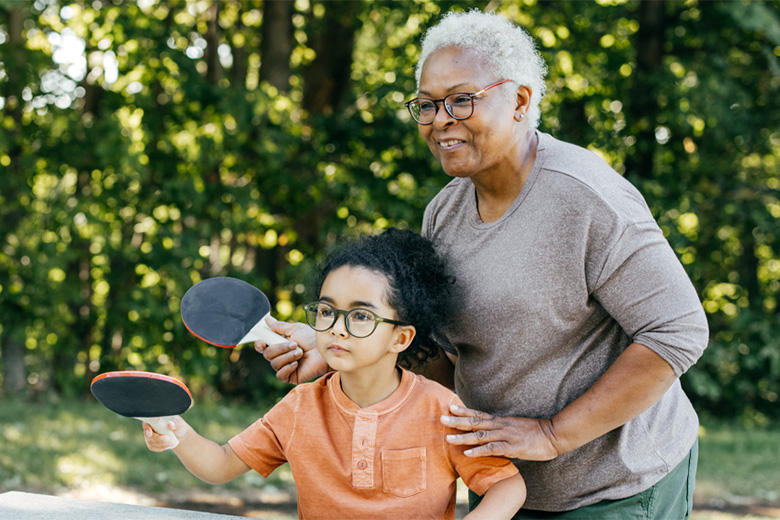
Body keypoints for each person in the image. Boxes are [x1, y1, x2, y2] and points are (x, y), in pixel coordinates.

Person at [258, 10, 709, 519]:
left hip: (616, 487)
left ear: (519, 100)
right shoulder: (444, 212)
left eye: (461, 100)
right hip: (502, 484)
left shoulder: (588, 199)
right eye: (427, 105)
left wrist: (553, 434)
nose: (440, 119)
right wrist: (340, 350)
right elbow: (441, 359)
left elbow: (678, 332)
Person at [144, 228, 526, 520]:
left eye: (360, 315)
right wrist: (171, 429)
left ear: (401, 337)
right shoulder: (299, 408)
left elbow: (507, 486)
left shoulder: (439, 409)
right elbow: (220, 464)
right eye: (327, 311)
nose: (337, 327)